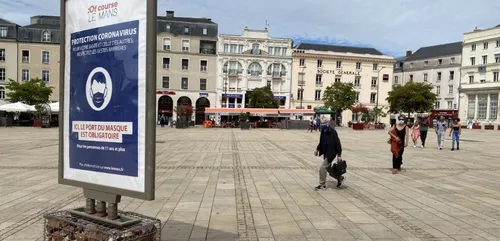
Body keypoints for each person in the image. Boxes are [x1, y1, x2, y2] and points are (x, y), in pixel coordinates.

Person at [314, 121, 344, 190]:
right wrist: (317, 149)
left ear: (327, 124)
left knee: (322, 168)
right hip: (325, 152)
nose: (322, 124)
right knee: (329, 169)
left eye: (324, 123)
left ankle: (322, 185)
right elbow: (321, 141)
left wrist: (339, 155)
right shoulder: (323, 131)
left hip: (331, 153)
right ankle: (340, 178)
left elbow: (338, 144)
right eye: (321, 123)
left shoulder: (333, 132)